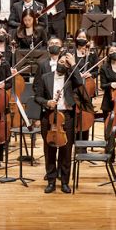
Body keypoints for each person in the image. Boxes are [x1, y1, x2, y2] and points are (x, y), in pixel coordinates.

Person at [34, 53, 86, 193]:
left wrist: (73, 64)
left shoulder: (71, 78)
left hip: (67, 117)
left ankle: (64, 182)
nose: (63, 64)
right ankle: (51, 181)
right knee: (49, 150)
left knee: (66, 151)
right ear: (57, 62)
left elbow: (80, 82)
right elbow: (37, 97)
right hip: (49, 116)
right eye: (61, 61)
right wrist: (47, 102)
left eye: (66, 64)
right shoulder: (45, 77)